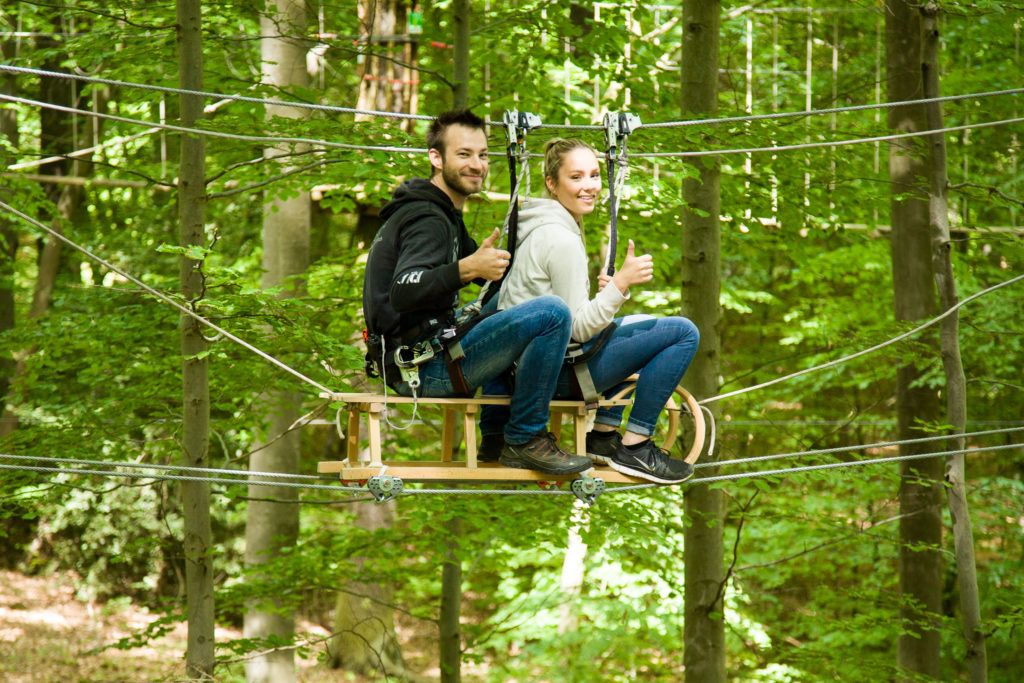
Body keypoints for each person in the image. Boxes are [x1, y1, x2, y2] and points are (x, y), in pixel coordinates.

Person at [362, 110, 592, 475]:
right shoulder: (428, 220)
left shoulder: (445, 216)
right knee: (552, 312)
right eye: (464, 154)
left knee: (516, 302)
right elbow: (402, 292)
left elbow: (493, 285)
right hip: (423, 368)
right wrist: (469, 267)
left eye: (483, 155)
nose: (477, 165)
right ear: (436, 158)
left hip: (428, 353)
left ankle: (497, 435)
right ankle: (525, 437)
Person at [479, 138, 700, 484]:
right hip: (552, 376)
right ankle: (636, 446)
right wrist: (621, 285)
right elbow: (578, 329)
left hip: (530, 370)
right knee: (684, 333)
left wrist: (611, 294)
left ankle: (603, 437)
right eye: (576, 177)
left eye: (595, 175)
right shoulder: (560, 239)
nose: (589, 186)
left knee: (639, 324)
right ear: (553, 184)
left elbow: (572, 315)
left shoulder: (541, 228)